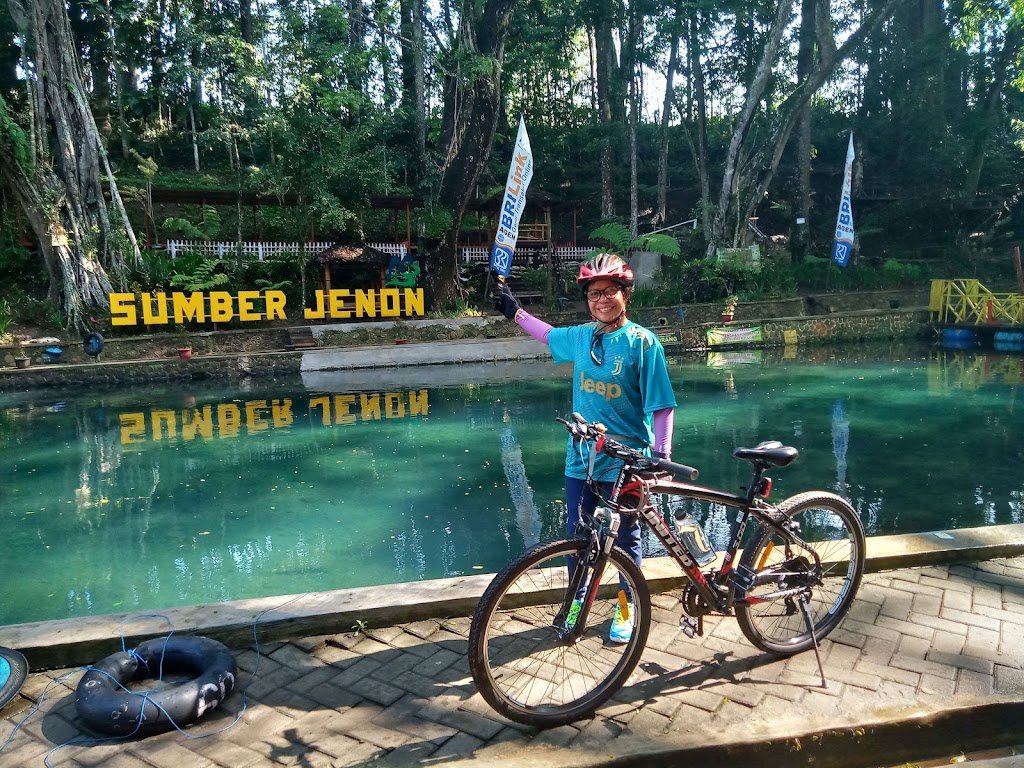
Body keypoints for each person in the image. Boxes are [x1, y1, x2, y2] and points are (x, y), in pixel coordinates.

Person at [494, 253, 677, 643]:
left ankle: (626, 606)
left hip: (626, 462)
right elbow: (547, 335)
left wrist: (661, 457)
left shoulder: (643, 343)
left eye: (610, 291)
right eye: (595, 293)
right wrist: (514, 311)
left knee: (625, 538)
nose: (602, 299)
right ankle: (576, 602)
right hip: (581, 458)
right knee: (576, 536)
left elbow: (661, 406)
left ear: (626, 294)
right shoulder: (581, 337)